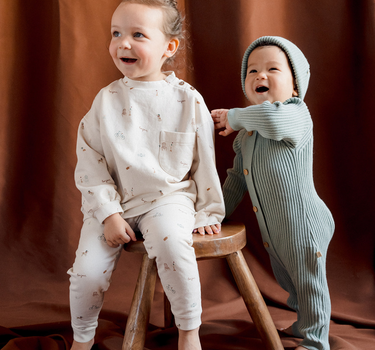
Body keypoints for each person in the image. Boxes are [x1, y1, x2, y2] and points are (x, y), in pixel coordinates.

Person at [68, 1, 225, 349]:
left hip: (167, 199)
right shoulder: (105, 101)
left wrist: (208, 212)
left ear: (169, 48)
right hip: (113, 202)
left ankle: (189, 333)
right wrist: (108, 213)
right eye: (116, 34)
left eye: (137, 34)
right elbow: (89, 161)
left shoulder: (188, 101)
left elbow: (204, 163)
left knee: (173, 247)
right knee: (86, 273)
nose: (123, 43)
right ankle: (82, 339)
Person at [211, 36, 334, 350]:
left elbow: (272, 119)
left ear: (295, 86)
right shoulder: (247, 137)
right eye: (251, 71)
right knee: (291, 279)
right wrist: (215, 213)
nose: (259, 75)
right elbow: (237, 180)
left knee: (309, 281)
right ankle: (305, 323)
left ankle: (316, 340)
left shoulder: (295, 114)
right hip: (276, 229)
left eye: (272, 69)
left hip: (303, 222)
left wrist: (234, 117)